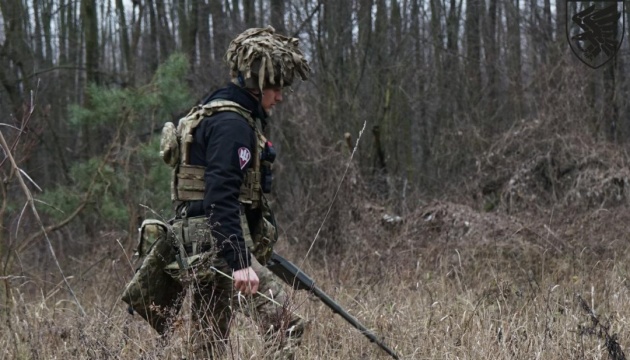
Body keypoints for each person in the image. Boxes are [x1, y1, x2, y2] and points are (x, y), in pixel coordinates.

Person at [164, 26, 311, 359]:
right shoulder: (232, 123)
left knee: (208, 342)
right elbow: (220, 195)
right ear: (258, 84)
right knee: (287, 325)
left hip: (200, 241)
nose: (280, 96)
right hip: (218, 246)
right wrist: (240, 262)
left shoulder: (215, 108)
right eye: (277, 87)